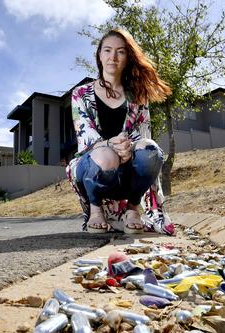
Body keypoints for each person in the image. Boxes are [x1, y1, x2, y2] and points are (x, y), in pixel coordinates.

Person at [66, 28, 174, 235]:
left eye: (120, 52)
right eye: (107, 50)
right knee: (106, 156)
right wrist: (110, 145)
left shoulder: (138, 96)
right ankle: (96, 210)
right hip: (93, 167)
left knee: (151, 150)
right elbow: (84, 134)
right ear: (99, 56)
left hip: (128, 168)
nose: (113, 57)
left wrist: (129, 147)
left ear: (128, 58)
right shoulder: (81, 93)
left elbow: (144, 134)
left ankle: (133, 209)